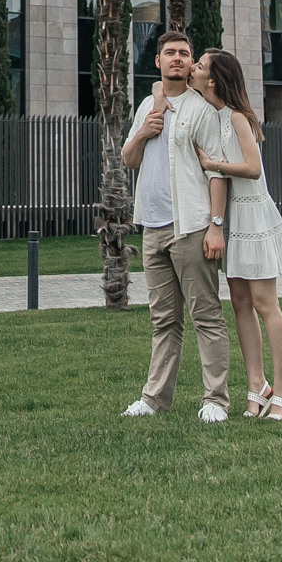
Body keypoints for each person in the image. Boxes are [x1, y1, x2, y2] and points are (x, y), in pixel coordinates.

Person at [118, 28, 234, 423]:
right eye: (170, 53)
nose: (177, 59)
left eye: (184, 53)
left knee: (206, 316)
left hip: (192, 227)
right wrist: (145, 130)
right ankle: (154, 399)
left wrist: (216, 225)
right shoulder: (147, 107)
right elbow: (129, 159)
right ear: (158, 61)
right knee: (164, 320)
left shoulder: (201, 110)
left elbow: (217, 172)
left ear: (190, 63)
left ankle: (215, 400)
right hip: (152, 228)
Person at [191, 49, 282, 422]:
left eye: (200, 66)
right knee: (240, 303)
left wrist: (213, 164)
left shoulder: (237, 117)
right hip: (233, 217)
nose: (193, 68)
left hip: (253, 216)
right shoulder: (213, 116)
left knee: (265, 303)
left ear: (214, 79)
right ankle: (258, 385)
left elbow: (253, 168)